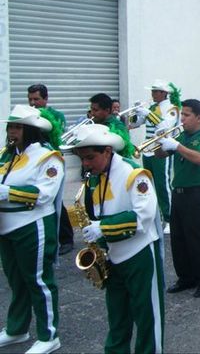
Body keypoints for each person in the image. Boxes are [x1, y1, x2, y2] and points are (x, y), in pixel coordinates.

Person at [66, 124, 164, 353]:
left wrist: (103, 228)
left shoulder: (133, 174)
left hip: (139, 254)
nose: (85, 164)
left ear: (107, 151)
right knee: (117, 316)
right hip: (113, 255)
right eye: (82, 159)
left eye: (90, 157)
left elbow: (144, 217)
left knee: (147, 317)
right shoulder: (96, 177)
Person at [0, 105, 65, 354]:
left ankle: (49, 335)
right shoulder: (7, 154)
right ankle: (17, 329)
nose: (12, 132)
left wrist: (9, 193)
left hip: (32, 225)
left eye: (17, 127)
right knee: (15, 280)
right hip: (6, 227)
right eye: (10, 127)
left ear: (31, 130)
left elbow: (45, 195)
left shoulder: (48, 156)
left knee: (39, 281)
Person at [156, 99, 200, 298]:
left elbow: (199, 158)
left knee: (197, 239)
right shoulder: (181, 135)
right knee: (178, 239)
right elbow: (160, 155)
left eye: (187, 115)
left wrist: (177, 146)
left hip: (196, 194)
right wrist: (159, 139)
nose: (182, 118)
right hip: (178, 193)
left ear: (199, 117)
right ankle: (185, 278)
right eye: (182, 114)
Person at [27, 84, 74, 256]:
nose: (33, 103)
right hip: (33, 162)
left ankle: (66, 239)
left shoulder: (55, 116)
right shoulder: (27, 115)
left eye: (36, 99)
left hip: (52, 161)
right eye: (30, 99)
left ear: (45, 99)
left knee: (56, 200)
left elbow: (56, 135)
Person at [129, 80, 181, 231]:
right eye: (152, 91)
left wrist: (148, 113)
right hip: (148, 150)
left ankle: (170, 218)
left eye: (155, 91)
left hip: (163, 149)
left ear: (164, 93)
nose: (152, 94)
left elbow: (165, 127)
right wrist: (136, 112)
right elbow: (135, 124)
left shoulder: (172, 108)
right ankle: (155, 215)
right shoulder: (152, 108)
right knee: (150, 184)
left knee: (162, 184)